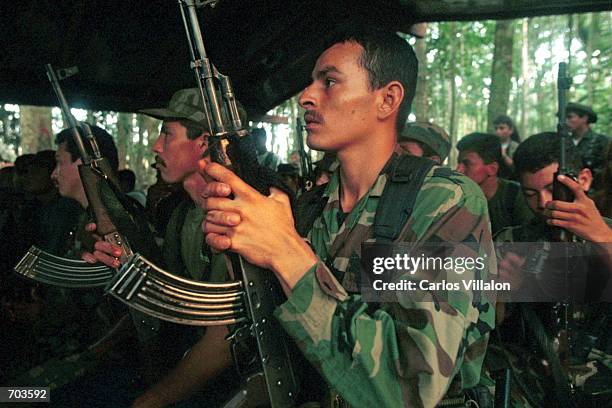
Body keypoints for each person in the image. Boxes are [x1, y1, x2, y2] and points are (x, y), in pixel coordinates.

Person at [200, 28, 495, 407]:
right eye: (311, 83)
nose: (306, 96)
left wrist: (284, 250)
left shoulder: (444, 200)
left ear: (387, 99)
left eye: (330, 82)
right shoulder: (311, 206)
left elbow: (409, 386)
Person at [87, 88, 240, 407]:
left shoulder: (239, 217)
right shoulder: (181, 216)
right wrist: (123, 265)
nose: (157, 146)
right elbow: (164, 300)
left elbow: (224, 340)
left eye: (167, 134)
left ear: (203, 142)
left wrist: (149, 401)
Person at [493, 132, 612, 406]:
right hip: (530, 386)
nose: (544, 202)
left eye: (551, 189)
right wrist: (504, 289)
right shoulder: (513, 241)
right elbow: (488, 325)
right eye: (531, 193)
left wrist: (603, 239)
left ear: (583, 180)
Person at [456, 132, 533, 235]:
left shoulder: (516, 197)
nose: (458, 170)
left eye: (467, 164)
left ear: (492, 169)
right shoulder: (459, 198)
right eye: (459, 163)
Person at [565, 102, 611, 191]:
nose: (566, 121)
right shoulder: (564, 143)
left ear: (584, 118)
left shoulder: (602, 141)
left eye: (570, 117)